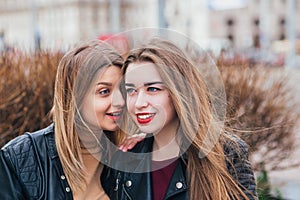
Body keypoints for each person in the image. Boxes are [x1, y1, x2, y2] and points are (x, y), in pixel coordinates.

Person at [101, 37, 258, 200]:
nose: (139, 103)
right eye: (131, 90)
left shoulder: (227, 153)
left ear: (180, 92)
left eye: (153, 89)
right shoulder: (127, 159)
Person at [0, 40, 125, 199]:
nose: (120, 101)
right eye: (104, 91)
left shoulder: (130, 160)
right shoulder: (20, 158)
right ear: (75, 97)